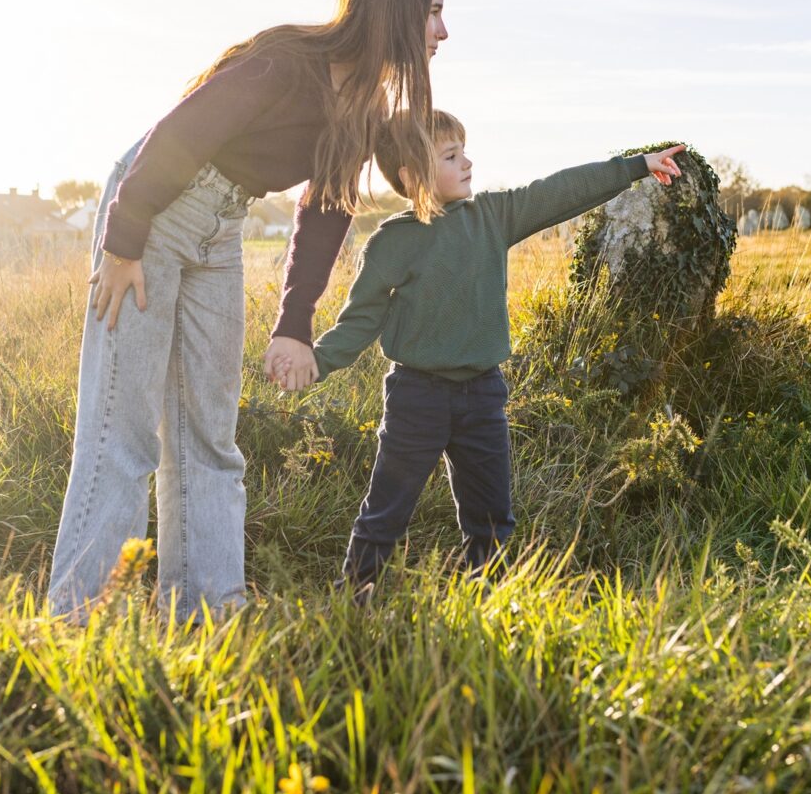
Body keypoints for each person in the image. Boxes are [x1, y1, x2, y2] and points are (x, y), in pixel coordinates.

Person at [48, 0, 449, 622]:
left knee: (209, 435)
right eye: (433, 13)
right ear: (397, 12)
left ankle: (206, 611)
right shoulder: (286, 65)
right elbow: (181, 132)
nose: (442, 31)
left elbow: (326, 210)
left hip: (221, 228)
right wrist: (123, 241)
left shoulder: (364, 105)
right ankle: (81, 618)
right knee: (123, 429)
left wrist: (294, 323)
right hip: (157, 209)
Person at [287, 109, 685, 588]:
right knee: (386, 511)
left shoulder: (493, 216)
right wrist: (316, 361)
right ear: (412, 177)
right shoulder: (391, 243)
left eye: (464, 151)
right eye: (451, 156)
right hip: (416, 398)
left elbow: (560, 190)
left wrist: (636, 166)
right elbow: (359, 321)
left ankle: (487, 594)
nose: (467, 162)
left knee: (492, 517)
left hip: (482, 395)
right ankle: (356, 595)